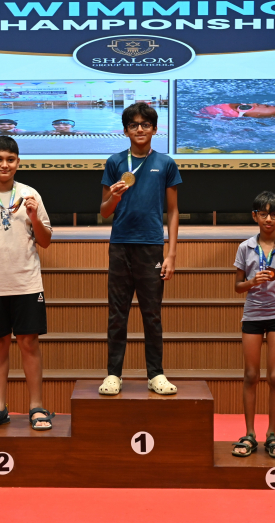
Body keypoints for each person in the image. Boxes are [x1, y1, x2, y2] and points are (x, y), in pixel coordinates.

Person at [0, 136, 55, 431]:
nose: (4, 165)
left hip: (26, 283)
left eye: (10, 159)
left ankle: (36, 407)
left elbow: (45, 241)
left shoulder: (30, 194)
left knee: (29, 343)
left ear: (18, 162)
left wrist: (34, 216)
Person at [98, 102, 182, 396]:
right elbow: (104, 211)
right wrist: (114, 197)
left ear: (155, 129)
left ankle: (155, 374)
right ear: (125, 131)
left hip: (151, 246)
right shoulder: (115, 162)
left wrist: (171, 253)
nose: (140, 129)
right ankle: (113, 374)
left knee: (152, 314)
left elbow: (173, 211)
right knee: (117, 314)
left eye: (145, 124)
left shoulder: (166, 163)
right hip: (120, 246)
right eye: (133, 125)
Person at [231, 191, 275, 459]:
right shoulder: (245, 247)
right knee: (251, 376)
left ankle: (272, 434)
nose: (269, 219)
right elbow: (237, 287)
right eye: (263, 214)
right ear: (255, 216)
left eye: (274, 214)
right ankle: (249, 434)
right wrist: (251, 282)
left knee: (274, 377)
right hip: (252, 316)